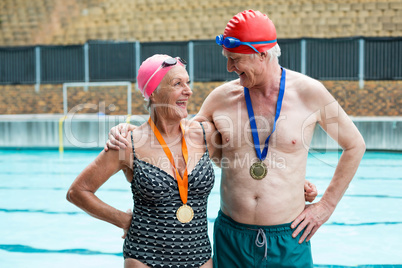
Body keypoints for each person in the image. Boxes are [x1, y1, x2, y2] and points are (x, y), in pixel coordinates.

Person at [105, 9, 362, 268]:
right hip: (231, 238)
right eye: (227, 59)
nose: (229, 67)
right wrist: (129, 130)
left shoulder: (310, 94)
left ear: (261, 54)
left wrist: (325, 206)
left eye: (235, 59)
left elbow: (354, 145)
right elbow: (178, 138)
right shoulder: (221, 98)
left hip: (289, 237)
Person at [67, 54, 223, 268]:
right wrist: (123, 220)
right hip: (145, 257)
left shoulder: (204, 135)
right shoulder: (128, 144)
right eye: (177, 84)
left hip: (199, 256)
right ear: (154, 93)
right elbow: (78, 192)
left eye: (187, 82)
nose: (188, 91)